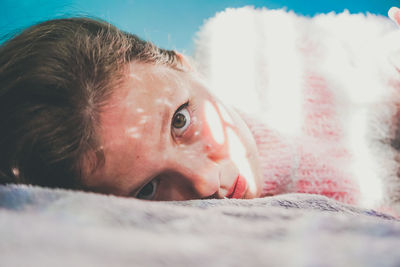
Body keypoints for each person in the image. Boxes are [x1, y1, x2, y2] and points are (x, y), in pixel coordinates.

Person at [0, 7, 400, 204]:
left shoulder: (260, 49)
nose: (206, 184)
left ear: (183, 64)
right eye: (148, 189)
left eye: (180, 119)